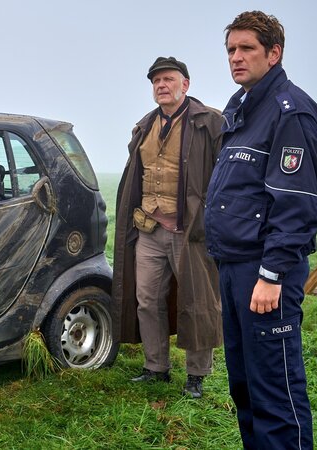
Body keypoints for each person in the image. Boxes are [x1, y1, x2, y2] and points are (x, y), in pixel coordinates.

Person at [205, 11, 317, 449]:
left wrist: (272, 275)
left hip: (264, 275)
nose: (236, 58)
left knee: (275, 391)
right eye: (230, 50)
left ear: (274, 54)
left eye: (247, 49)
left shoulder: (290, 113)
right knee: (244, 386)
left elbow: (297, 205)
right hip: (235, 269)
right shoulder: (242, 107)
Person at [114, 56, 224, 398]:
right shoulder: (144, 125)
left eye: (168, 80)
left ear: (185, 85)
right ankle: (155, 367)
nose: (161, 85)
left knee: (197, 301)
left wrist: (212, 217)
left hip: (190, 231)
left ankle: (196, 375)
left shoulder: (211, 122)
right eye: (156, 81)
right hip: (149, 228)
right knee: (147, 299)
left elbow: (227, 175)